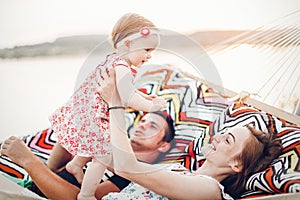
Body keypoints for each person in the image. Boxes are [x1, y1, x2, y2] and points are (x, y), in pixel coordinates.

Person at [97, 68, 283, 199]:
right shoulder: (178, 169)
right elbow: (118, 161)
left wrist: (115, 104)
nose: (216, 136)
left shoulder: (209, 190)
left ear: (237, 164)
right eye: (223, 133)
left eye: (228, 140)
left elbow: (126, 167)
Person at [48, 13, 166, 199]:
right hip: (94, 116)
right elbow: (127, 96)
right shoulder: (121, 67)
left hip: (87, 113)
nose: (150, 55)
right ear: (128, 44)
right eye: (147, 49)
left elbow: (123, 90)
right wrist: (152, 107)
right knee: (102, 156)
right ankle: (86, 195)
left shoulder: (113, 60)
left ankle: (76, 164)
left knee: (96, 144)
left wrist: (145, 97)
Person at [0, 111, 175, 200]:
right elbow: (54, 170)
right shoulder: (109, 149)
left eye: (153, 126)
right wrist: (71, 135)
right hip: (31, 184)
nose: (142, 125)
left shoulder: (136, 175)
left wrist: (28, 160)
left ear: (163, 145)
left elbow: (75, 198)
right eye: (143, 120)